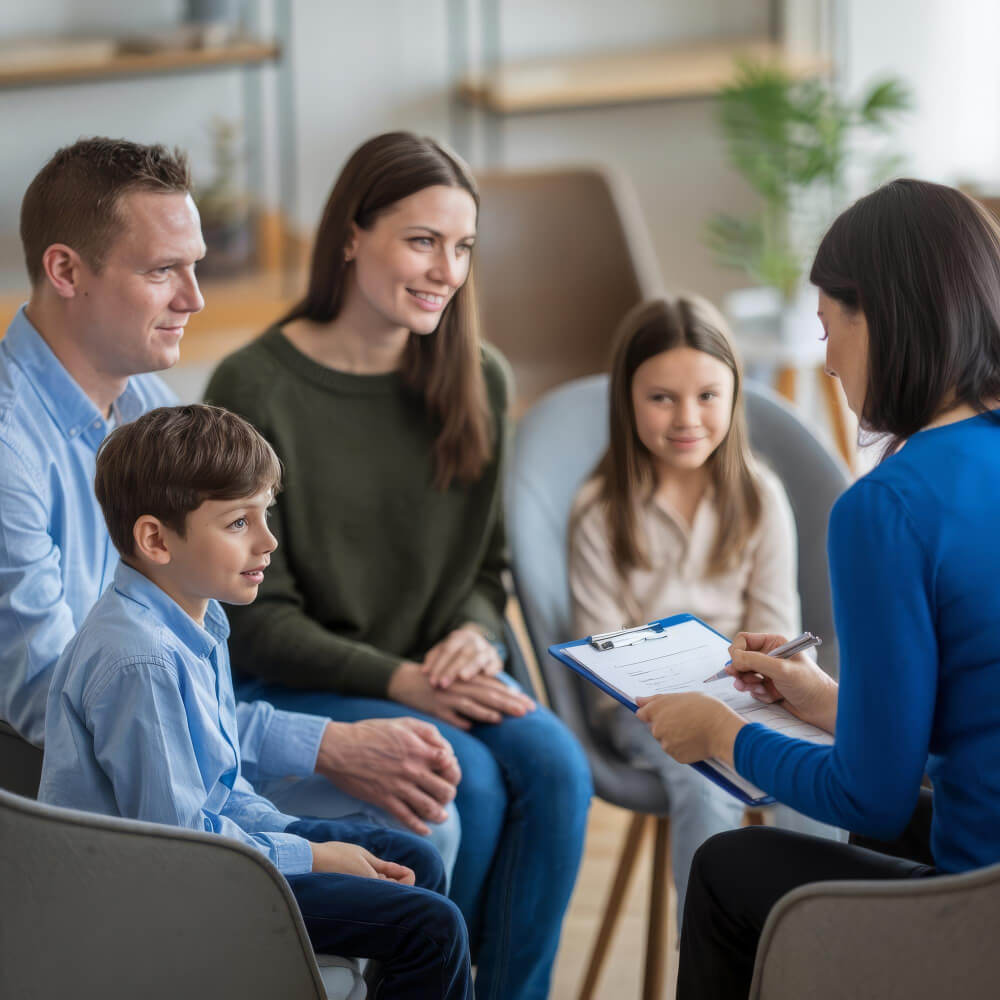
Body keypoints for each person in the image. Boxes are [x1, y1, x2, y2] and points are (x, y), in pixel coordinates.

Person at [0, 137, 462, 869]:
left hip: (188, 736)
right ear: (65, 270)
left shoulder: (146, 401)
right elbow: (65, 706)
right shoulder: (8, 457)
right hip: (99, 808)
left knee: (439, 804)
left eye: (196, 266)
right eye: (162, 271)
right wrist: (320, 744)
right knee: (423, 827)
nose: (195, 298)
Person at [204, 131, 592, 1000]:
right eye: (422, 241)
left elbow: (485, 571)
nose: (445, 270)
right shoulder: (255, 385)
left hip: (439, 673)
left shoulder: (478, 377)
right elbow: (255, 619)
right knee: (472, 786)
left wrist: (473, 633)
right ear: (350, 234)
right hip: (308, 680)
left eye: (462, 247)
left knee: (560, 770)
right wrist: (405, 681)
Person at [633, 179, 1000, 999]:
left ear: (883, 317)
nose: (828, 360)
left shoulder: (888, 506)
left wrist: (719, 734)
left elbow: (867, 794)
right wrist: (833, 702)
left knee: (729, 867)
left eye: (830, 328)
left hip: (983, 913)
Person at [39, 404, 473, 999]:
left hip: (206, 858)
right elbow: (180, 846)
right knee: (434, 928)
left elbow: (223, 790)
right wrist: (312, 858)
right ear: (155, 539)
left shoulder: (196, 616)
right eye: (239, 522)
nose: (268, 541)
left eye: (264, 513)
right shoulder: (138, 661)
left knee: (414, 859)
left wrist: (301, 842)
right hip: (163, 900)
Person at [568, 294, 801, 918]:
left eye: (706, 395)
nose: (686, 418)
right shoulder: (601, 512)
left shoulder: (760, 499)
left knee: (810, 779)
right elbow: (600, 659)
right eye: (660, 397)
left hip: (751, 698)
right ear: (627, 400)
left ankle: (810, 951)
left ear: (733, 396)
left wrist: (753, 682)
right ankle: (710, 958)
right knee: (705, 786)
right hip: (645, 709)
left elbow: (776, 629)